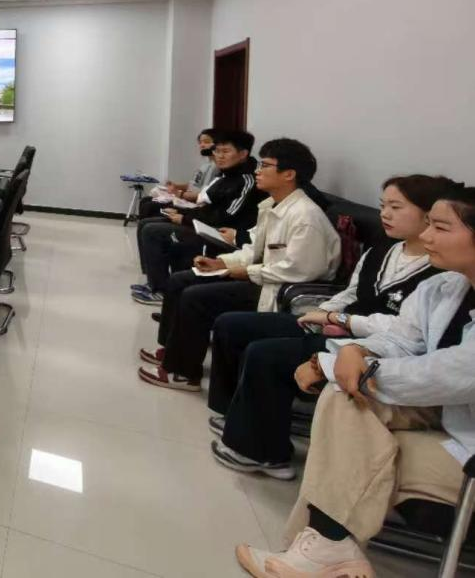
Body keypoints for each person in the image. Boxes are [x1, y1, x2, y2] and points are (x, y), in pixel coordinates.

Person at [234, 187, 475, 578]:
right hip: (448, 413)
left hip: (465, 436)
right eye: (429, 224)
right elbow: (403, 339)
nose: (427, 235)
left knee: (349, 421)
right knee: (344, 398)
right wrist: (355, 351)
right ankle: (327, 547)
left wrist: (332, 364)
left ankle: (322, 547)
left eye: (441, 227)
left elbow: (451, 373)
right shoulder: (444, 286)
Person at [210, 175, 454, 480]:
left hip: (366, 342)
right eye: (383, 206)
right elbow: (351, 293)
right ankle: (235, 414)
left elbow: (407, 331)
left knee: (265, 354)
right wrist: (322, 313)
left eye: (396, 207)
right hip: (336, 324)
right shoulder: (382, 250)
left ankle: (264, 454)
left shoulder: (440, 271)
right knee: (233, 325)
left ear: (427, 214)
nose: (385, 214)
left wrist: (341, 321)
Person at [138, 138, 340, 392]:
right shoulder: (273, 205)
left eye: (265, 165)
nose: (258, 171)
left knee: (196, 297)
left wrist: (242, 272)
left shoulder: (305, 216)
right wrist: (221, 262)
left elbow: (298, 270)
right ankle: (172, 352)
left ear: (289, 174)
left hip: (279, 290)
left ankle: (182, 372)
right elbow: (253, 248)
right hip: (264, 278)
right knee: (182, 279)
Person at [132, 129, 264, 305]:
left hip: (223, 234)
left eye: (226, 151)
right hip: (208, 224)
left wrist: (185, 218)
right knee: (149, 222)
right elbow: (208, 206)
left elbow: (225, 217)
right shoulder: (225, 174)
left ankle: (161, 291)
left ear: (243, 154)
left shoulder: (246, 180)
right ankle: (155, 282)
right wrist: (185, 214)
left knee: (154, 230)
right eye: (217, 151)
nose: (219, 156)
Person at [138, 129, 219, 220]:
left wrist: (180, 194)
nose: (202, 145)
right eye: (200, 142)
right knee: (145, 200)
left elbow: (203, 194)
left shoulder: (215, 167)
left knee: (149, 206)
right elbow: (194, 185)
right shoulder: (206, 165)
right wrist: (176, 186)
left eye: (206, 142)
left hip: (194, 204)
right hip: (186, 198)